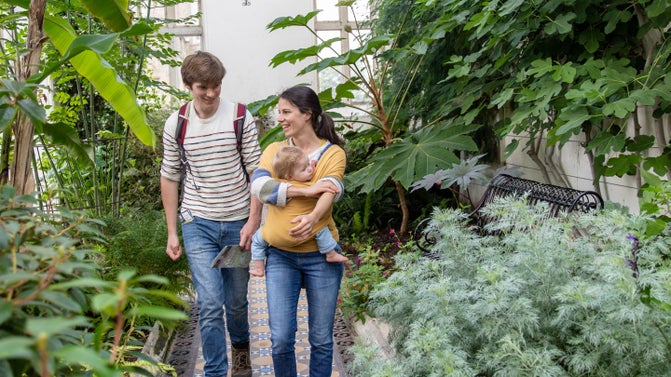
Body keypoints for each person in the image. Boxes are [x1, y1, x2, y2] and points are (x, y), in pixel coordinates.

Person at [160, 51, 261, 377]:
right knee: (208, 304)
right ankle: (215, 372)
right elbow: (170, 176)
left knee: (235, 303)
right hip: (198, 225)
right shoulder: (178, 124)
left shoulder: (239, 117)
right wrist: (172, 231)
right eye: (203, 86)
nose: (211, 93)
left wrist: (252, 221)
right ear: (188, 85)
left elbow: (257, 173)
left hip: (236, 227)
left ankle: (241, 348)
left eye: (216, 85)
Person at [250, 85, 346, 376]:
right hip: (280, 257)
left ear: (307, 114)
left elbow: (331, 190)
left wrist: (313, 217)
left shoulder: (333, 154)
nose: (280, 118)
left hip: (321, 256)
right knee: (280, 339)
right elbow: (259, 187)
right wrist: (308, 189)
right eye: (279, 112)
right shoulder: (274, 150)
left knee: (320, 339)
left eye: (286, 112)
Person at [250, 146, 348, 277]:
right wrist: (308, 190)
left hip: (307, 231)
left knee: (321, 230)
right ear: (289, 176)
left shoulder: (307, 179)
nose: (309, 169)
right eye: (304, 169)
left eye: (309, 164)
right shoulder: (285, 185)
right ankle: (259, 268)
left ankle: (330, 254)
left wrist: (310, 167)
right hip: (277, 242)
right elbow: (257, 187)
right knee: (256, 241)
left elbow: (333, 187)